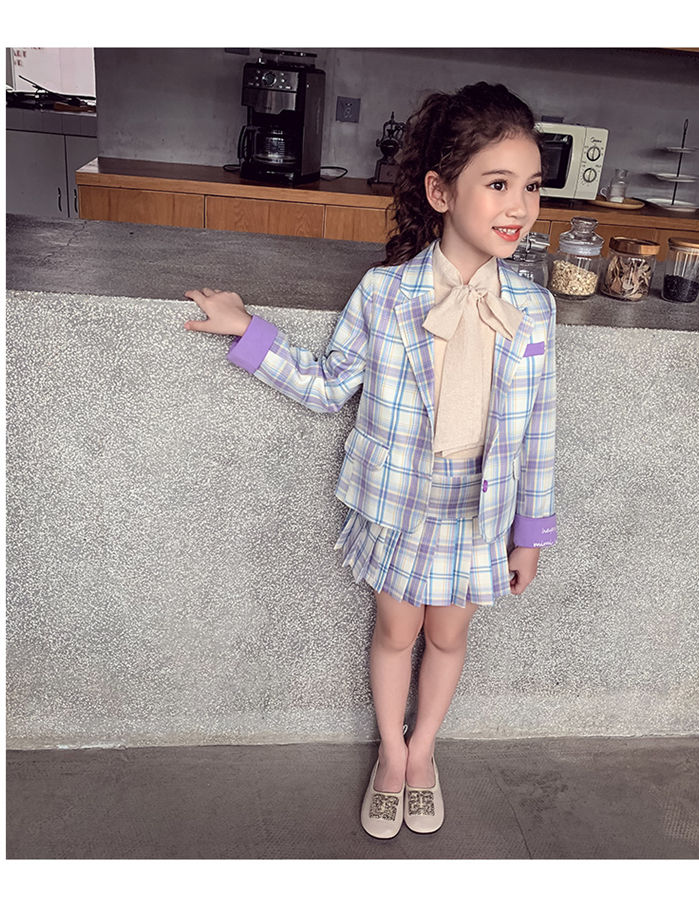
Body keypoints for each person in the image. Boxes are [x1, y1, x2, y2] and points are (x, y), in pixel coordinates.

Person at [183, 81, 557, 839]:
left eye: (531, 186)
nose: (519, 206)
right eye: (497, 184)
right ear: (441, 191)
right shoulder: (384, 295)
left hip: (480, 511)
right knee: (395, 631)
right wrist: (248, 331)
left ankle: (424, 752)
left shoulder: (535, 307)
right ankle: (391, 753)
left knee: (449, 636)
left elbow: (539, 427)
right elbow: (328, 386)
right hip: (398, 506)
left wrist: (531, 531)